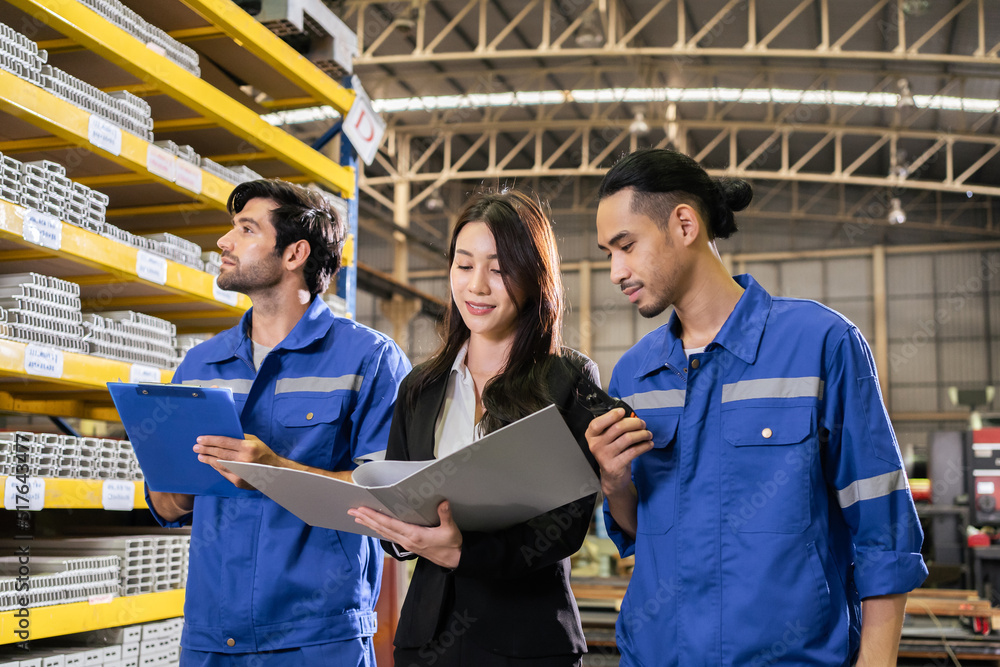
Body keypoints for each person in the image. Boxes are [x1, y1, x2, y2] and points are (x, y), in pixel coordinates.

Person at [586, 149, 927, 666]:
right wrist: (614, 485)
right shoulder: (635, 374)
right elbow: (638, 534)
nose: (615, 271)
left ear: (684, 224)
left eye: (626, 246)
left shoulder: (821, 345)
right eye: (607, 253)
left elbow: (885, 533)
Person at [145, 179, 411, 666]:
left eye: (246, 229)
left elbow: (390, 504)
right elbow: (167, 503)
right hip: (210, 637)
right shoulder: (201, 364)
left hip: (316, 638)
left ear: (295, 254)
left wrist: (274, 471)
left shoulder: (370, 360)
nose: (224, 242)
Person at [349, 190, 600, 667]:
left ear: (533, 275)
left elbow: (564, 526)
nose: (477, 286)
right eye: (464, 266)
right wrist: (397, 531)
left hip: (527, 640)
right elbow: (399, 500)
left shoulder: (567, 378)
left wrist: (465, 552)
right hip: (426, 640)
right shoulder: (419, 389)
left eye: (500, 269)